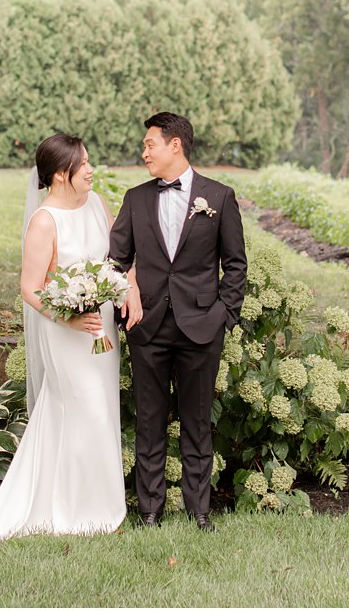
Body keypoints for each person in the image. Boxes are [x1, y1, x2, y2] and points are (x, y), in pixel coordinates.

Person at [0, 133, 126, 546]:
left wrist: (116, 288)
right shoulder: (45, 220)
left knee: (102, 409)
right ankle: (76, 509)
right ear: (60, 175)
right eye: (82, 164)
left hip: (101, 329)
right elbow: (30, 289)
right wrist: (67, 318)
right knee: (83, 410)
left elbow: (117, 260)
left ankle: (96, 504)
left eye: (88, 161)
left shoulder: (99, 205)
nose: (90, 169)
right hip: (67, 332)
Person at [110, 112, 247, 531]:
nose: (144, 152)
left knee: (197, 420)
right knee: (150, 421)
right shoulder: (135, 199)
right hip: (147, 326)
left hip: (201, 326)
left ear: (176, 145)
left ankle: (198, 510)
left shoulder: (219, 198)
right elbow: (115, 262)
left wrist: (223, 315)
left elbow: (236, 265)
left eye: (151, 144)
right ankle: (150, 510)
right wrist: (125, 295)